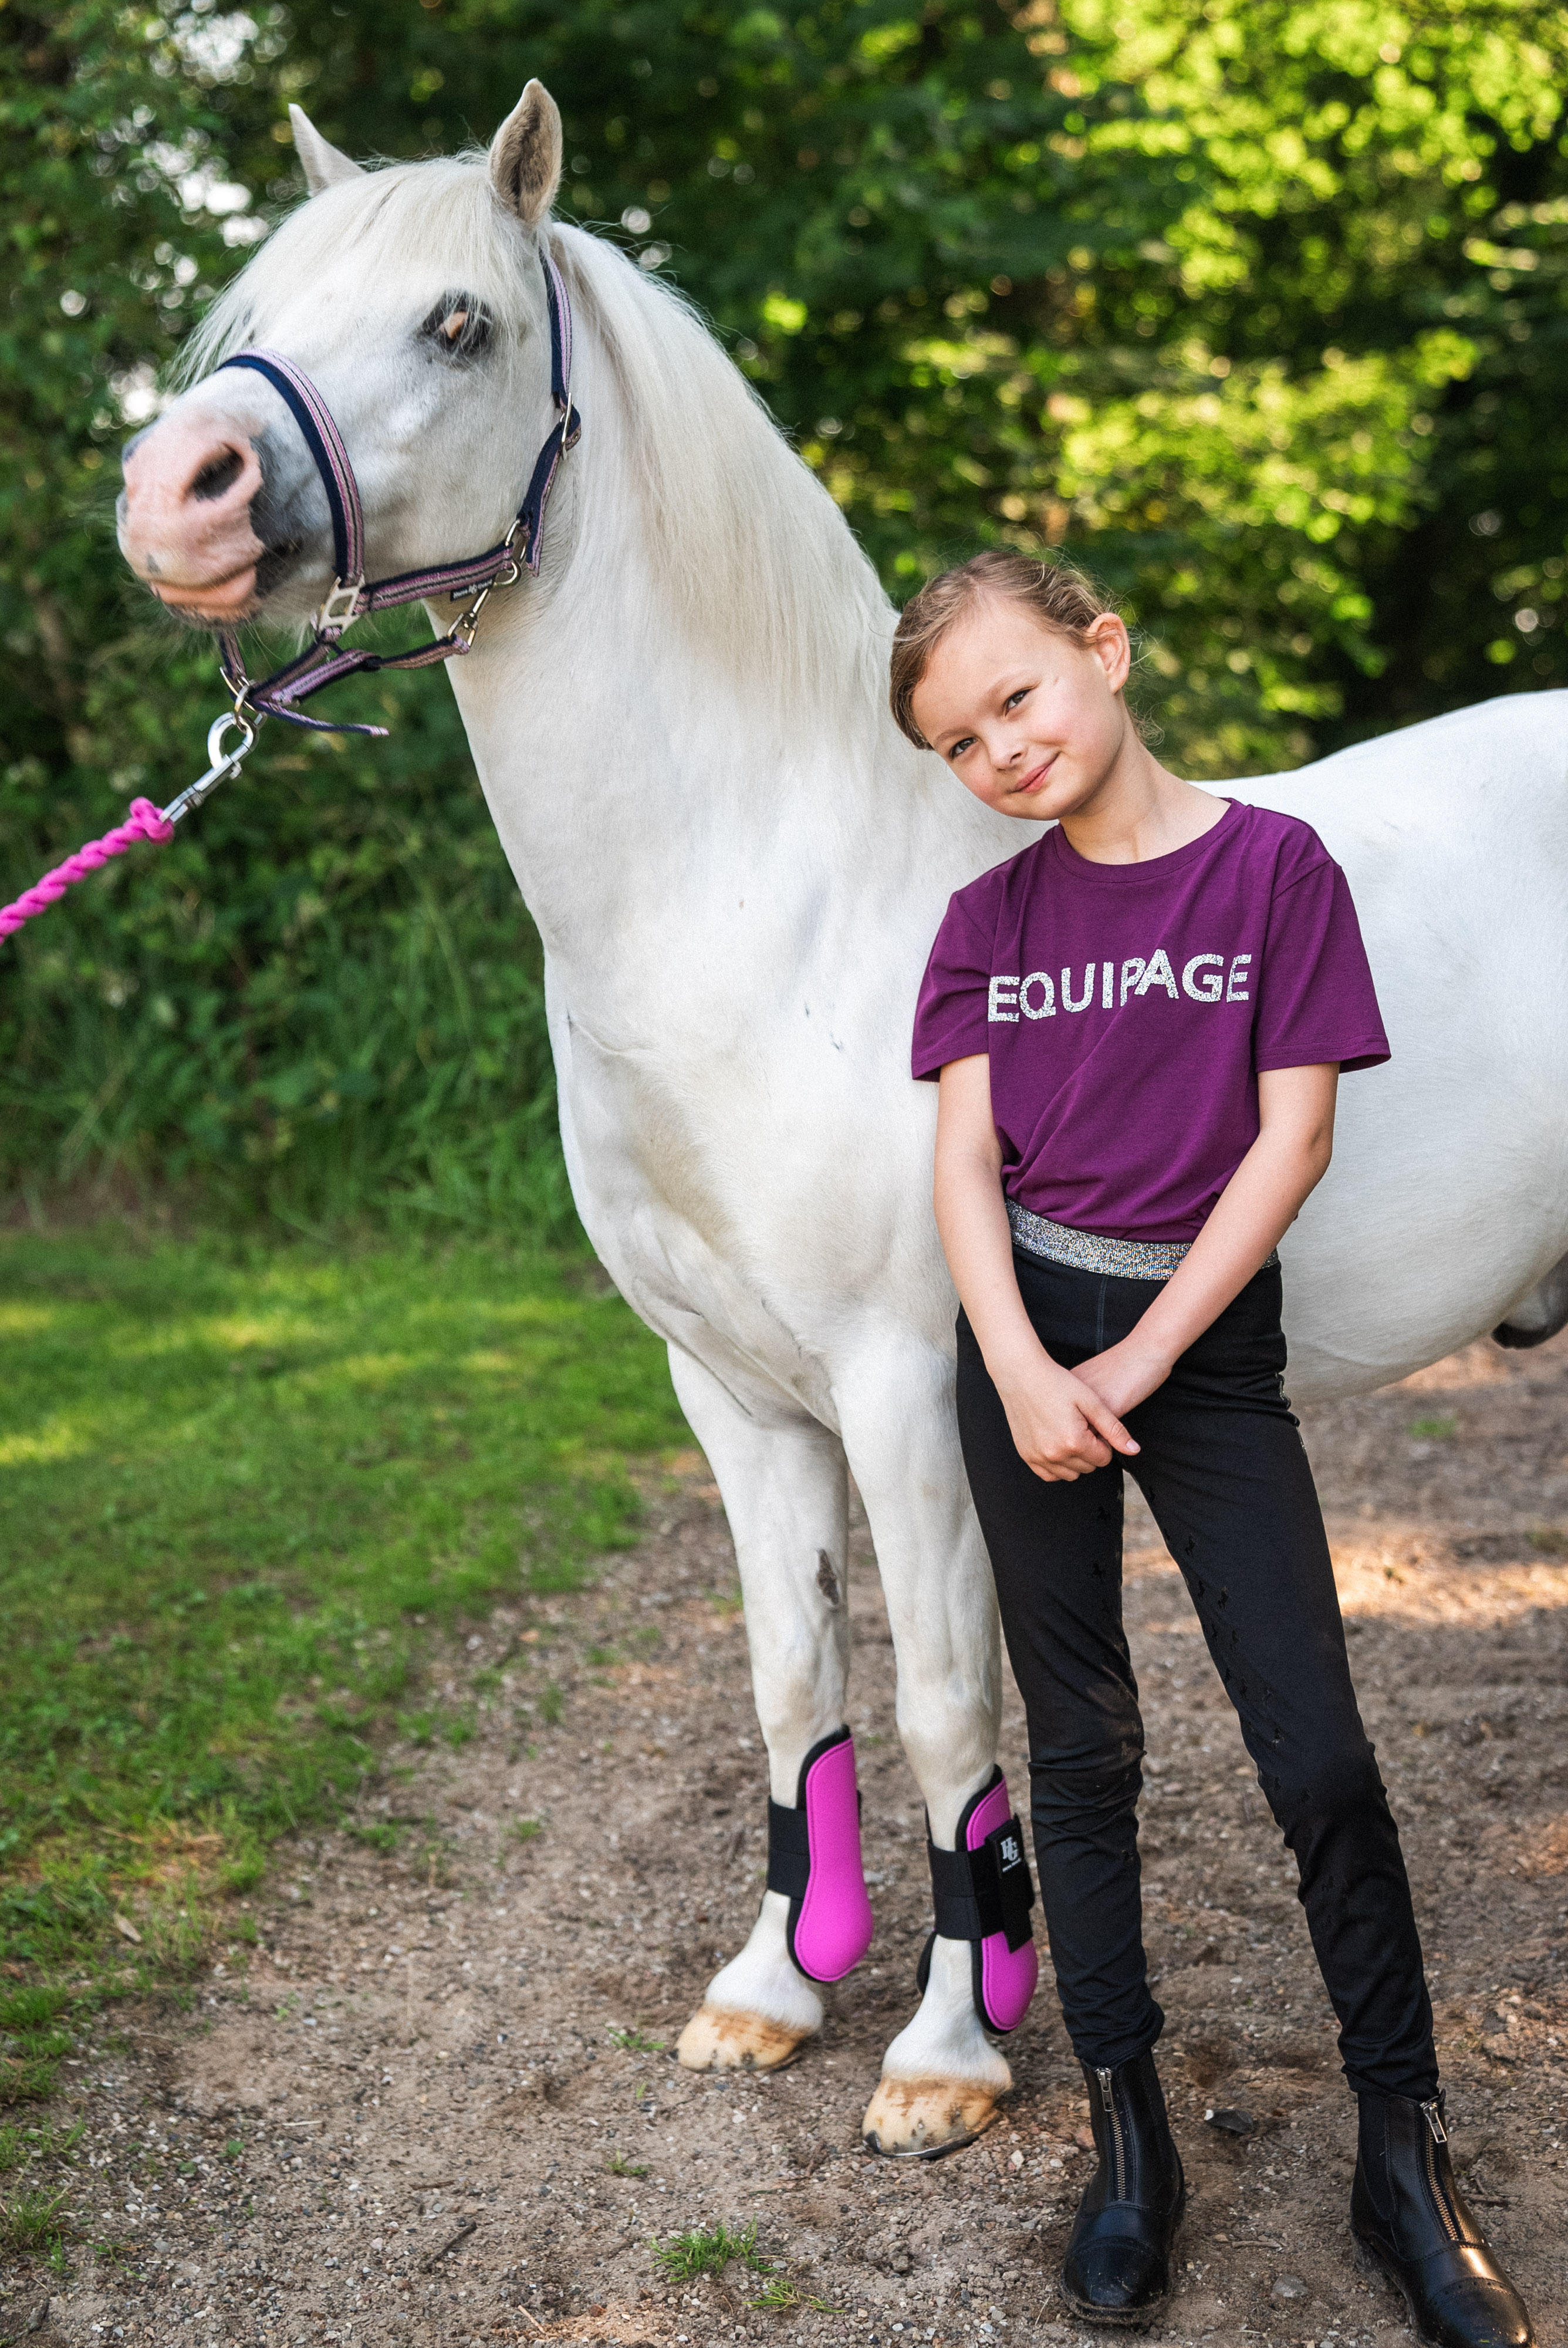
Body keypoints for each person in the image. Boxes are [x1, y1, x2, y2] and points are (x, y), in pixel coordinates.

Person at [897, 550, 1534, 2346]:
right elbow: (962, 1169)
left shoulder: (1274, 869)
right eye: (958, 740)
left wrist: (1155, 1352)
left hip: (1207, 1347)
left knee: (1317, 1751)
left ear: (1105, 650)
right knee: (1081, 1752)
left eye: (1016, 696)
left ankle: (1401, 2152)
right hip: (1022, 1345)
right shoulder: (987, 927)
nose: (1000, 749)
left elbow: (1294, 1141)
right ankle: (1131, 2140)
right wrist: (1023, 1365)